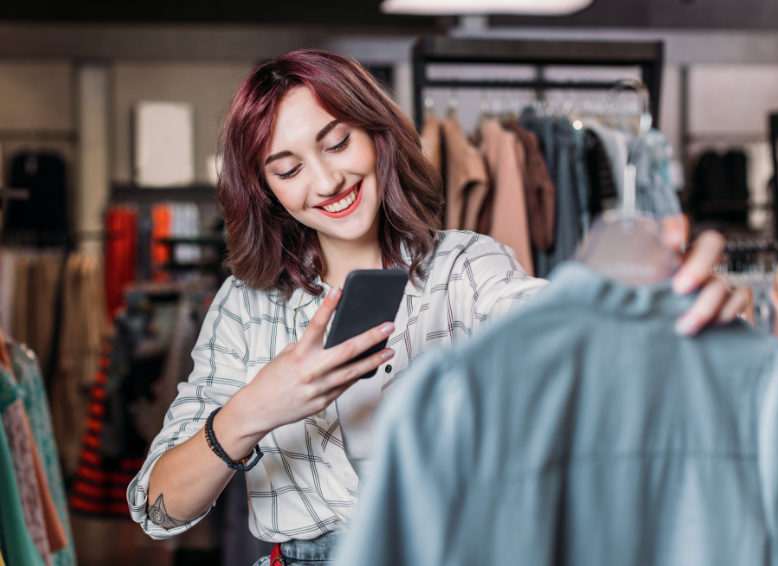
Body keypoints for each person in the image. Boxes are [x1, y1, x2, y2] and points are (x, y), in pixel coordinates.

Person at [127, 50, 746, 564]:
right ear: (267, 191)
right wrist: (253, 409)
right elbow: (156, 511)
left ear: (376, 132)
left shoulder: (465, 269)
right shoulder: (246, 307)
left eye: (337, 142)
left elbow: (561, 331)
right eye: (288, 170)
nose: (325, 182)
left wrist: (656, 312)